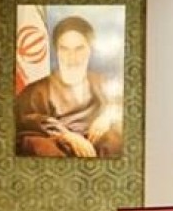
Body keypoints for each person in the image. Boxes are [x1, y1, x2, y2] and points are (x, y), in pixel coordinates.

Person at [15, 15, 122, 158]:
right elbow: (27, 122)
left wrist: (106, 117)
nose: (72, 57)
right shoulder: (35, 91)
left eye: (79, 49)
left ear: (89, 50)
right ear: (57, 51)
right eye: (64, 49)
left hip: (96, 146)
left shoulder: (102, 83)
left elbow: (122, 105)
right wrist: (68, 136)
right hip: (57, 147)